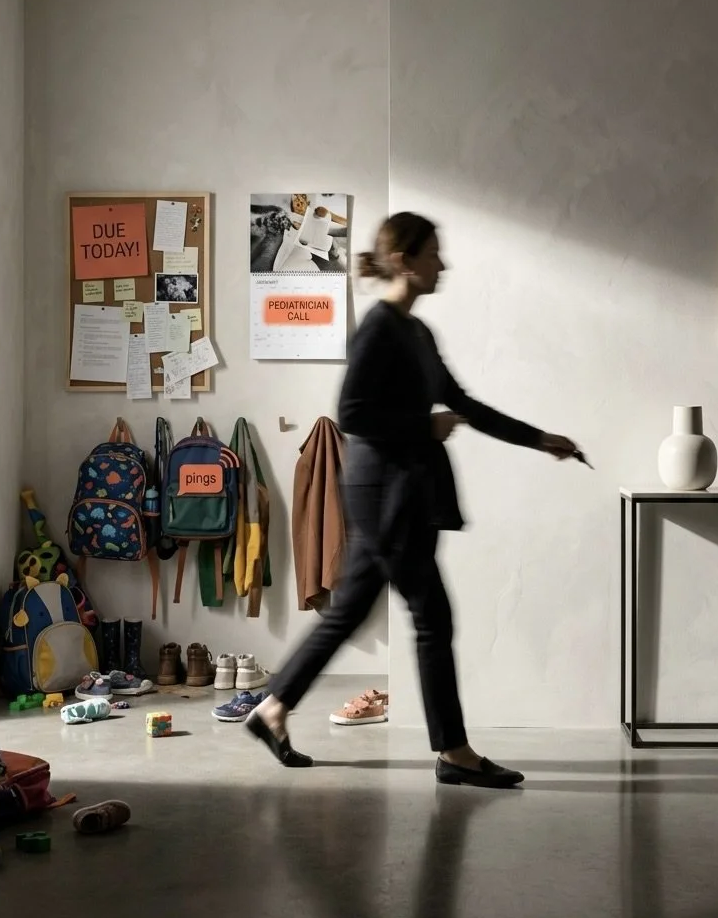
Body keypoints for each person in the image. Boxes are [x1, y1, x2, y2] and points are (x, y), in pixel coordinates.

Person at [247, 212, 578, 788]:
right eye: (433, 254)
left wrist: (538, 438)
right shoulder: (378, 328)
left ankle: (273, 708)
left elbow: (463, 403)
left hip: (398, 490)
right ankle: (454, 752)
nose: (443, 264)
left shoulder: (416, 333)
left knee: (351, 610)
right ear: (403, 260)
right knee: (431, 615)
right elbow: (352, 414)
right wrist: (422, 429)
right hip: (386, 492)